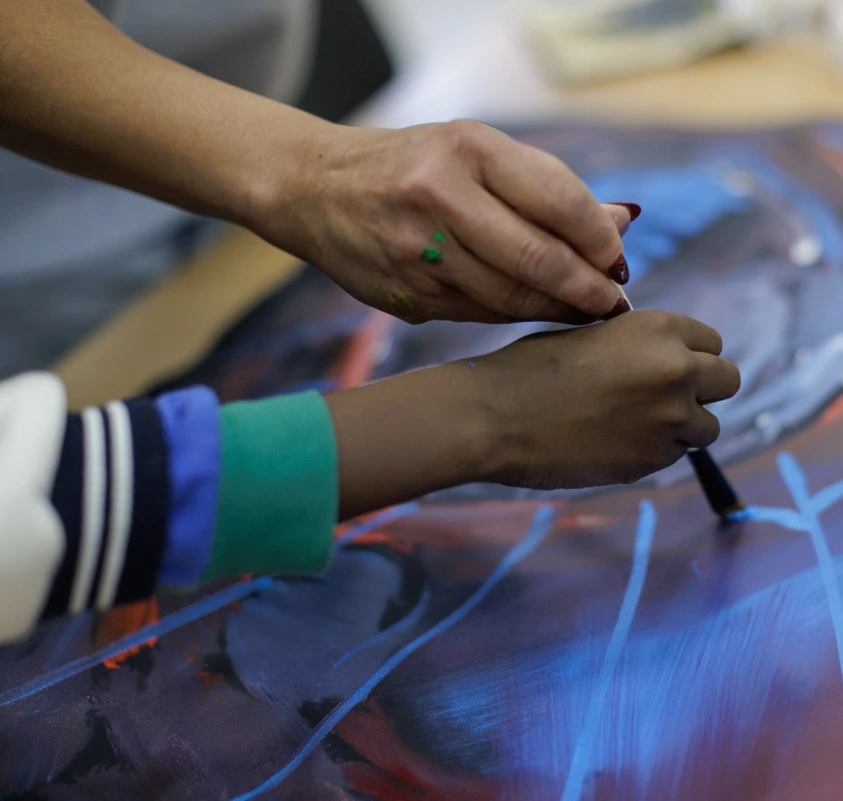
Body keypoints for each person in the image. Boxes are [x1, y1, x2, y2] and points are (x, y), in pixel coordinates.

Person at [0, 0, 741, 645]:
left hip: (208, 189)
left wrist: (302, 172)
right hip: (52, 305)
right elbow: (41, 509)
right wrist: (490, 414)